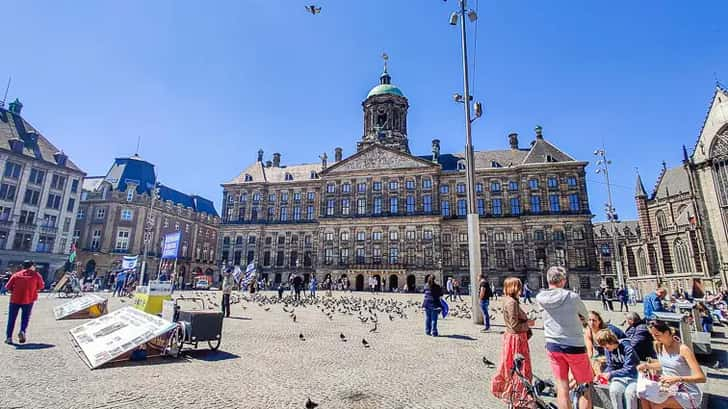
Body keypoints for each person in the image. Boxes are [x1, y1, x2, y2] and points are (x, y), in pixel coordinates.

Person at [536, 266, 593, 409]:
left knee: (562, 387)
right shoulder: (572, 296)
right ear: (563, 280)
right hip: (574, 346)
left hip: (553, 345)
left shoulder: (540, 298)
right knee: (584, 387)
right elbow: (585, 317)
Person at [637, 320, 705, 409]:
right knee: (643, 397)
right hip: (668, 388)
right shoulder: (658, 345)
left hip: (686, 391)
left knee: (656, 404)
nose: (654, 338)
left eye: (657, 335)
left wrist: (677, 379)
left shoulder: (683, 349)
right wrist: (647, 366)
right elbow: (665, 364)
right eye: (652, 335)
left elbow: (701, 377)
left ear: (666, 333)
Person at [490, 277, 536, 407]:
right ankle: (517, 393)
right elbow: (515, 325)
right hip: (516, 339)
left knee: (512, 365)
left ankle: (517, 391)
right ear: (514, 288)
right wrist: (528, 324)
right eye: (519, 286)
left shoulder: (511, 301)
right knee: (518, 367)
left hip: (515, 337)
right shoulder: (511, 303)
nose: (521, 289)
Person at [595, 329, 639, 409]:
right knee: (614, 391)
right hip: (619, 378)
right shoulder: (607, 350)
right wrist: (603, 374)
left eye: (606, 345)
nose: (605, 348)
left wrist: (611, 374)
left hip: (633, 377)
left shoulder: (627, 348)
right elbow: (610, 365)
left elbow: (629, 369)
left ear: (611, 341)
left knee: (630, 393)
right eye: (603, 346)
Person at [5, 260, 45, 344]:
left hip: (15, 299)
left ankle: (9, 337)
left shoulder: (17, 275)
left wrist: (14, 291)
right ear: (31, 266)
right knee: (25, 318)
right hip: (29, 300)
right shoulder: (36, 275)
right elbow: (41, 286)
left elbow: (8, 286)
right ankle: (22, 331)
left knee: (11, 319)